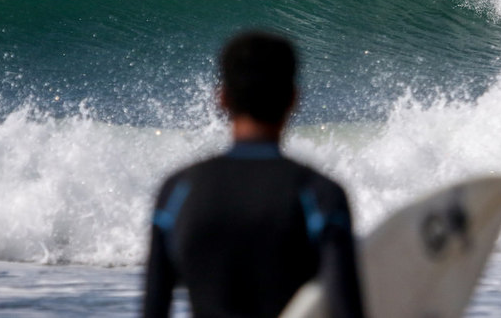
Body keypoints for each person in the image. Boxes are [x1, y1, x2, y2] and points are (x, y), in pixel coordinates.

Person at [143, 31, 364, 318]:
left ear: (221, 98)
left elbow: (153, 310)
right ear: (293, 99)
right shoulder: (319, 194)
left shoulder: (178, 191)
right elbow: (345, 309)